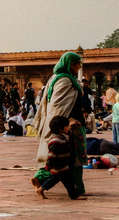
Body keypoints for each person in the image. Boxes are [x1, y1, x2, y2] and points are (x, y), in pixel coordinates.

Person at [34, 52, 88, 197]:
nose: (79, 67)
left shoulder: (56, 78)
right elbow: (57, 105)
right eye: (78, 64)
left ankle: (41, 178)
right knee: (74, 158)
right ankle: (77, 188)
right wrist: (66, 122)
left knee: (62, 158)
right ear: (71, 65)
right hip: (71, 125)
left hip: (65, 123)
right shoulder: (64, 80)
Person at [32, 115, 80, 198]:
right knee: (69, 181)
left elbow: (69, 138)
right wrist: (48, 165)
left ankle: (41, 189)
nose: (68, 128)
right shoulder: (55, 141)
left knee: (53, 180)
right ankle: (74, 196)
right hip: (60, 166)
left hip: (62, 165)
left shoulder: (63, 137)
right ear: (60, 129)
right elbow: (51, 156)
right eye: (66, 127)